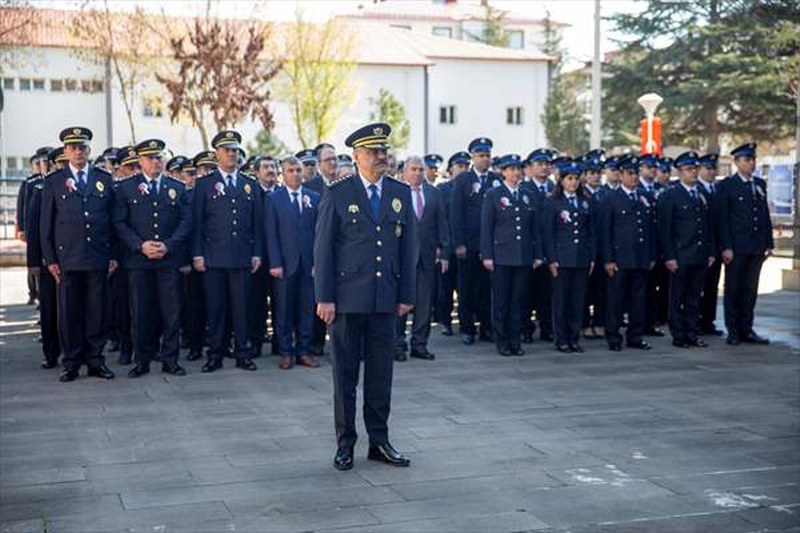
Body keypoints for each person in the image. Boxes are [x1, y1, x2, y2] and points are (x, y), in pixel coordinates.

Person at [314, 122, 416, 471]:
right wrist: (324, 297)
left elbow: (409, 248)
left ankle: (379, 441)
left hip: (385, 299)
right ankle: (345, 444)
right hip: (346, 300)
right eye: (373, 151)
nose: (381, 156)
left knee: (380, 375)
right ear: (357, 156)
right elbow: (323, 249)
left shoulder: (400, 193)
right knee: (345, 376)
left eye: (383, 150)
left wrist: (406, 294)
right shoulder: (339, 193)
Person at [40, 127, 117, 382]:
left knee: (97, 312)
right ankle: (71, 362)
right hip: (68, 259)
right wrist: (50, 259)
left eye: (82, 147)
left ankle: (95, 360)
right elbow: (46, 225)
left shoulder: (103, 178)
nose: (78, 152)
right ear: (65, 151)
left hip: (97, 256)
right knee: (69, 313)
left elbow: (113, 221)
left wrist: (113, 255)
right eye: (73, 148)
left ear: (89, 150)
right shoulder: (54, 181)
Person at [113, 139, 192, 377]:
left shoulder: (177, 187)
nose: (156, 162)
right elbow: (119, 222)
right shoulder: (126, 188)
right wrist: (140, 245)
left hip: (168, 260)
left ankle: (170, 360)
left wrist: (168, 245)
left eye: (159, 157)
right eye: (150, 158)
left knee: (171, 313)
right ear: (140, 161)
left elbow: (186, 222)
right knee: (141, 313)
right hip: (139, 261)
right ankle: (142, 361)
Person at [192, 130, 263, 372]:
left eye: (234, 150)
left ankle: (243, 353)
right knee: (216, 310)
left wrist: (257, 253)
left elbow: (257, 223)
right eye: (227, 150)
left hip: (242, 256)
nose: (232, 154)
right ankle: (215, 355)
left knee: (242, 309)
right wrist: (197, 254)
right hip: (213, 257)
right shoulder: (204, 184)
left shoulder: (249, 184)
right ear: (217, 154)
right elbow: (197, 222)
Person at [480, 154, 543, 356]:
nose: (516, 173)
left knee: (519, 301)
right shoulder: (494, 194)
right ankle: (502, 341)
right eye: (511, 169)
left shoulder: (527, 194)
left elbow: (535, 228)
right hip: (501, 255)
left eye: (518, 169)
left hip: (523, 255)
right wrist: (487, 255)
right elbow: (487, 227)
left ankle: (515, 340)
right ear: (504, 172)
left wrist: (538, 254)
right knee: (501, 301)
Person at [715, 142, 773, 345]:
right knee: (733, 289)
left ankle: (747, 329)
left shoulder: (759, 184)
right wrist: (726, 246)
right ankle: (733, 331)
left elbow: (763, 215)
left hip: (756, 246)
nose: (751, 163)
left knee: (750, 290)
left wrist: (769, 243)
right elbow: (723, 220)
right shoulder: (727, 185)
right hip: (737, 247)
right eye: (747, 159)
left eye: (753, 159)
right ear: (737, 162)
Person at [656, 151, 716, 349]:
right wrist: (669, 256)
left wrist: (710, 251)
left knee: (694, 297)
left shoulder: (702, 194)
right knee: (677, 298)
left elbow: (707, 225)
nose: (693, 172)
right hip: (680, 255)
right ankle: (678, 335)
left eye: (695, 169)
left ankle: (692, 333)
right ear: (680, 172)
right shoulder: (671, 195)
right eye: (689, 169)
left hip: (699, 255)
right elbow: (665, 229)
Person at [265, 156, 320, 370]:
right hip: (285, 265)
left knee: (307, 309)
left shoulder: (313, 197)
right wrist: (275, 263)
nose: (295, 174)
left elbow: (319, 233)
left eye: (298, 170)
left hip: (308, 264)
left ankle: (303, 351)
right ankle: (286, 352)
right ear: (283, 173)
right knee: (283, 310)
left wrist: (317, 262)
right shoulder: (274, 199)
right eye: (290, 170)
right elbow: (271, 233)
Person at [599, 156, 657, 352]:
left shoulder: (644, 197)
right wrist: (608, 259)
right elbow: (605, 232)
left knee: (638, 300)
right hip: (619, 258)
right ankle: (613, 336)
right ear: (621, 175)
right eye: (630, 174)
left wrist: (651, 255)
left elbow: (650, 229)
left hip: (640, 257)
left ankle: (635, 336)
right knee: (615, 300)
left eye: (636, 173)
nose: (634, 177)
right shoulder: (610, 198)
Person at [394, 156, 449, 361]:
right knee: (401, 303)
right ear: (405, 171)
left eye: (420, 169)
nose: (417, 173)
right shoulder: (396, 192)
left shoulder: (434, 193)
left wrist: (444, 253)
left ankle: (419, 344)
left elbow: (442, 224)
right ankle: (398, 345)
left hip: (427, 257)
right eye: (413, 169)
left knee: (424, 305)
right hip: (402, 259)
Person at [543, 162, 596, 353]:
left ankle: (574, 338)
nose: (573, 182)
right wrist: (551, 259)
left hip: (581, 258)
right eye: (569, 179)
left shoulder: (585, 201)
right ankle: (561, 338)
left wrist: (592, 257)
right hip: (562, 259)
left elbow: (591, 232)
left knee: (577, 301)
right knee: (561, 301)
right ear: (562, 181)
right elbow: (548, 234)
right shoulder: (553, 202)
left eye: (576, 179)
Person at [450, 137, 497, 345]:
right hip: (469, 243)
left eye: (487, 155)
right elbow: (455, 213)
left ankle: (487, 328)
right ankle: (468, 328)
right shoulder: (463, 180)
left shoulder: (496, 180)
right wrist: (458, 242)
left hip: (492, 245)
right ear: (473, 158)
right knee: (467, 288)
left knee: (487, 289)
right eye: (481, 155)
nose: (485, 159)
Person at [520, 148, 555, 343]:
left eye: (547, 164)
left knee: (548, 292)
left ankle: (547, 327)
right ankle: (525, 328)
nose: (544, 167)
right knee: (526, 292)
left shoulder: (556, 188)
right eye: (540, 164)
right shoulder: (524, 189)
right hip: (530, 248)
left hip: (551, 248)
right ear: (530, 168)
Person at [434, 151, 468, 337]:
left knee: (465, 288)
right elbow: (439, 220)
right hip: (447, 245)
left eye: (466, 166)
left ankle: (465, 322)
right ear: (451, 169)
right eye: (459, 166)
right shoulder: (443, 189)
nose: (463, 170)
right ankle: (445, 321)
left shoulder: (472, 187)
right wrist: (440, 246)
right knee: (445, 287)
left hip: (465, 245)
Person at [696, 153, 724, 336]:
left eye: (714, 168)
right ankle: (695, 321)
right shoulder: (695, 190)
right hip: (700, 248)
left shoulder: (718, 190)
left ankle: (708, 321)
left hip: (717, 247)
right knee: (697, 287)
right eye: (708, 168)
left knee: (712, 287)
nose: (712, 172)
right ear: (699, 169)